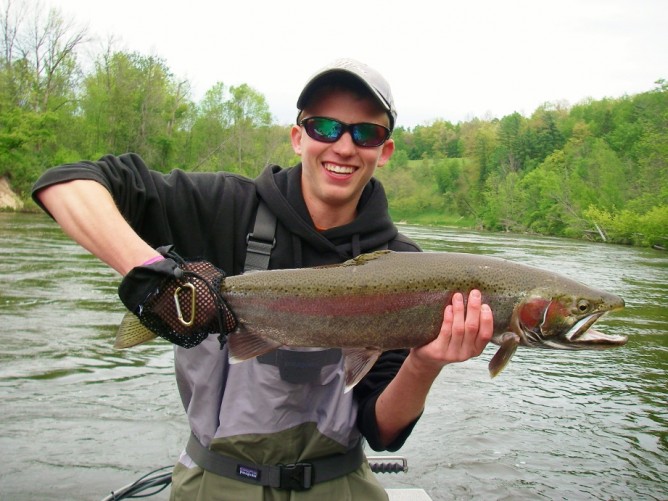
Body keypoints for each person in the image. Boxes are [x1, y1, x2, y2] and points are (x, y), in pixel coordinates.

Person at [32, 58, 494, 500]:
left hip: (340, 483)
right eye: (325, 127)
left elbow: (382, 432)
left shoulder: (408, 269)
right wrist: (154, 277)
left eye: (366, 132)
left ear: (385, 150)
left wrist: (425, 363)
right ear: (298, 138)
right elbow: (66, 182)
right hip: (215, 482)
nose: (344, 146)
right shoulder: (225, 208)